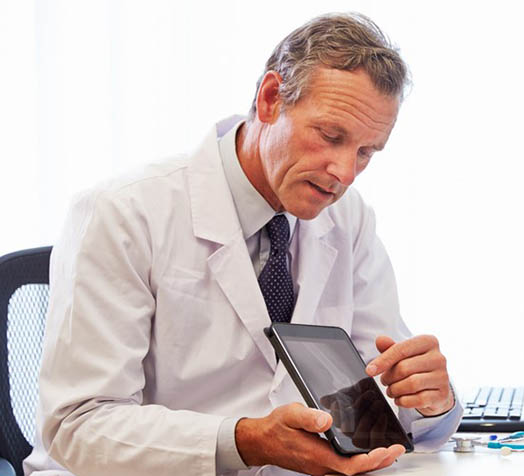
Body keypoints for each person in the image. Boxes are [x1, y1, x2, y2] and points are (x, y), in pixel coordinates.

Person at [24, 13, 461, 476]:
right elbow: (77, 426)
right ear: (270, 99)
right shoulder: (123, 212)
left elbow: (378, 395)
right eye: (331, 136)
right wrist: (245, 441)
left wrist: (429, 400)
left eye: (366, 152)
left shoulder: (348, 219)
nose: (345, 173)